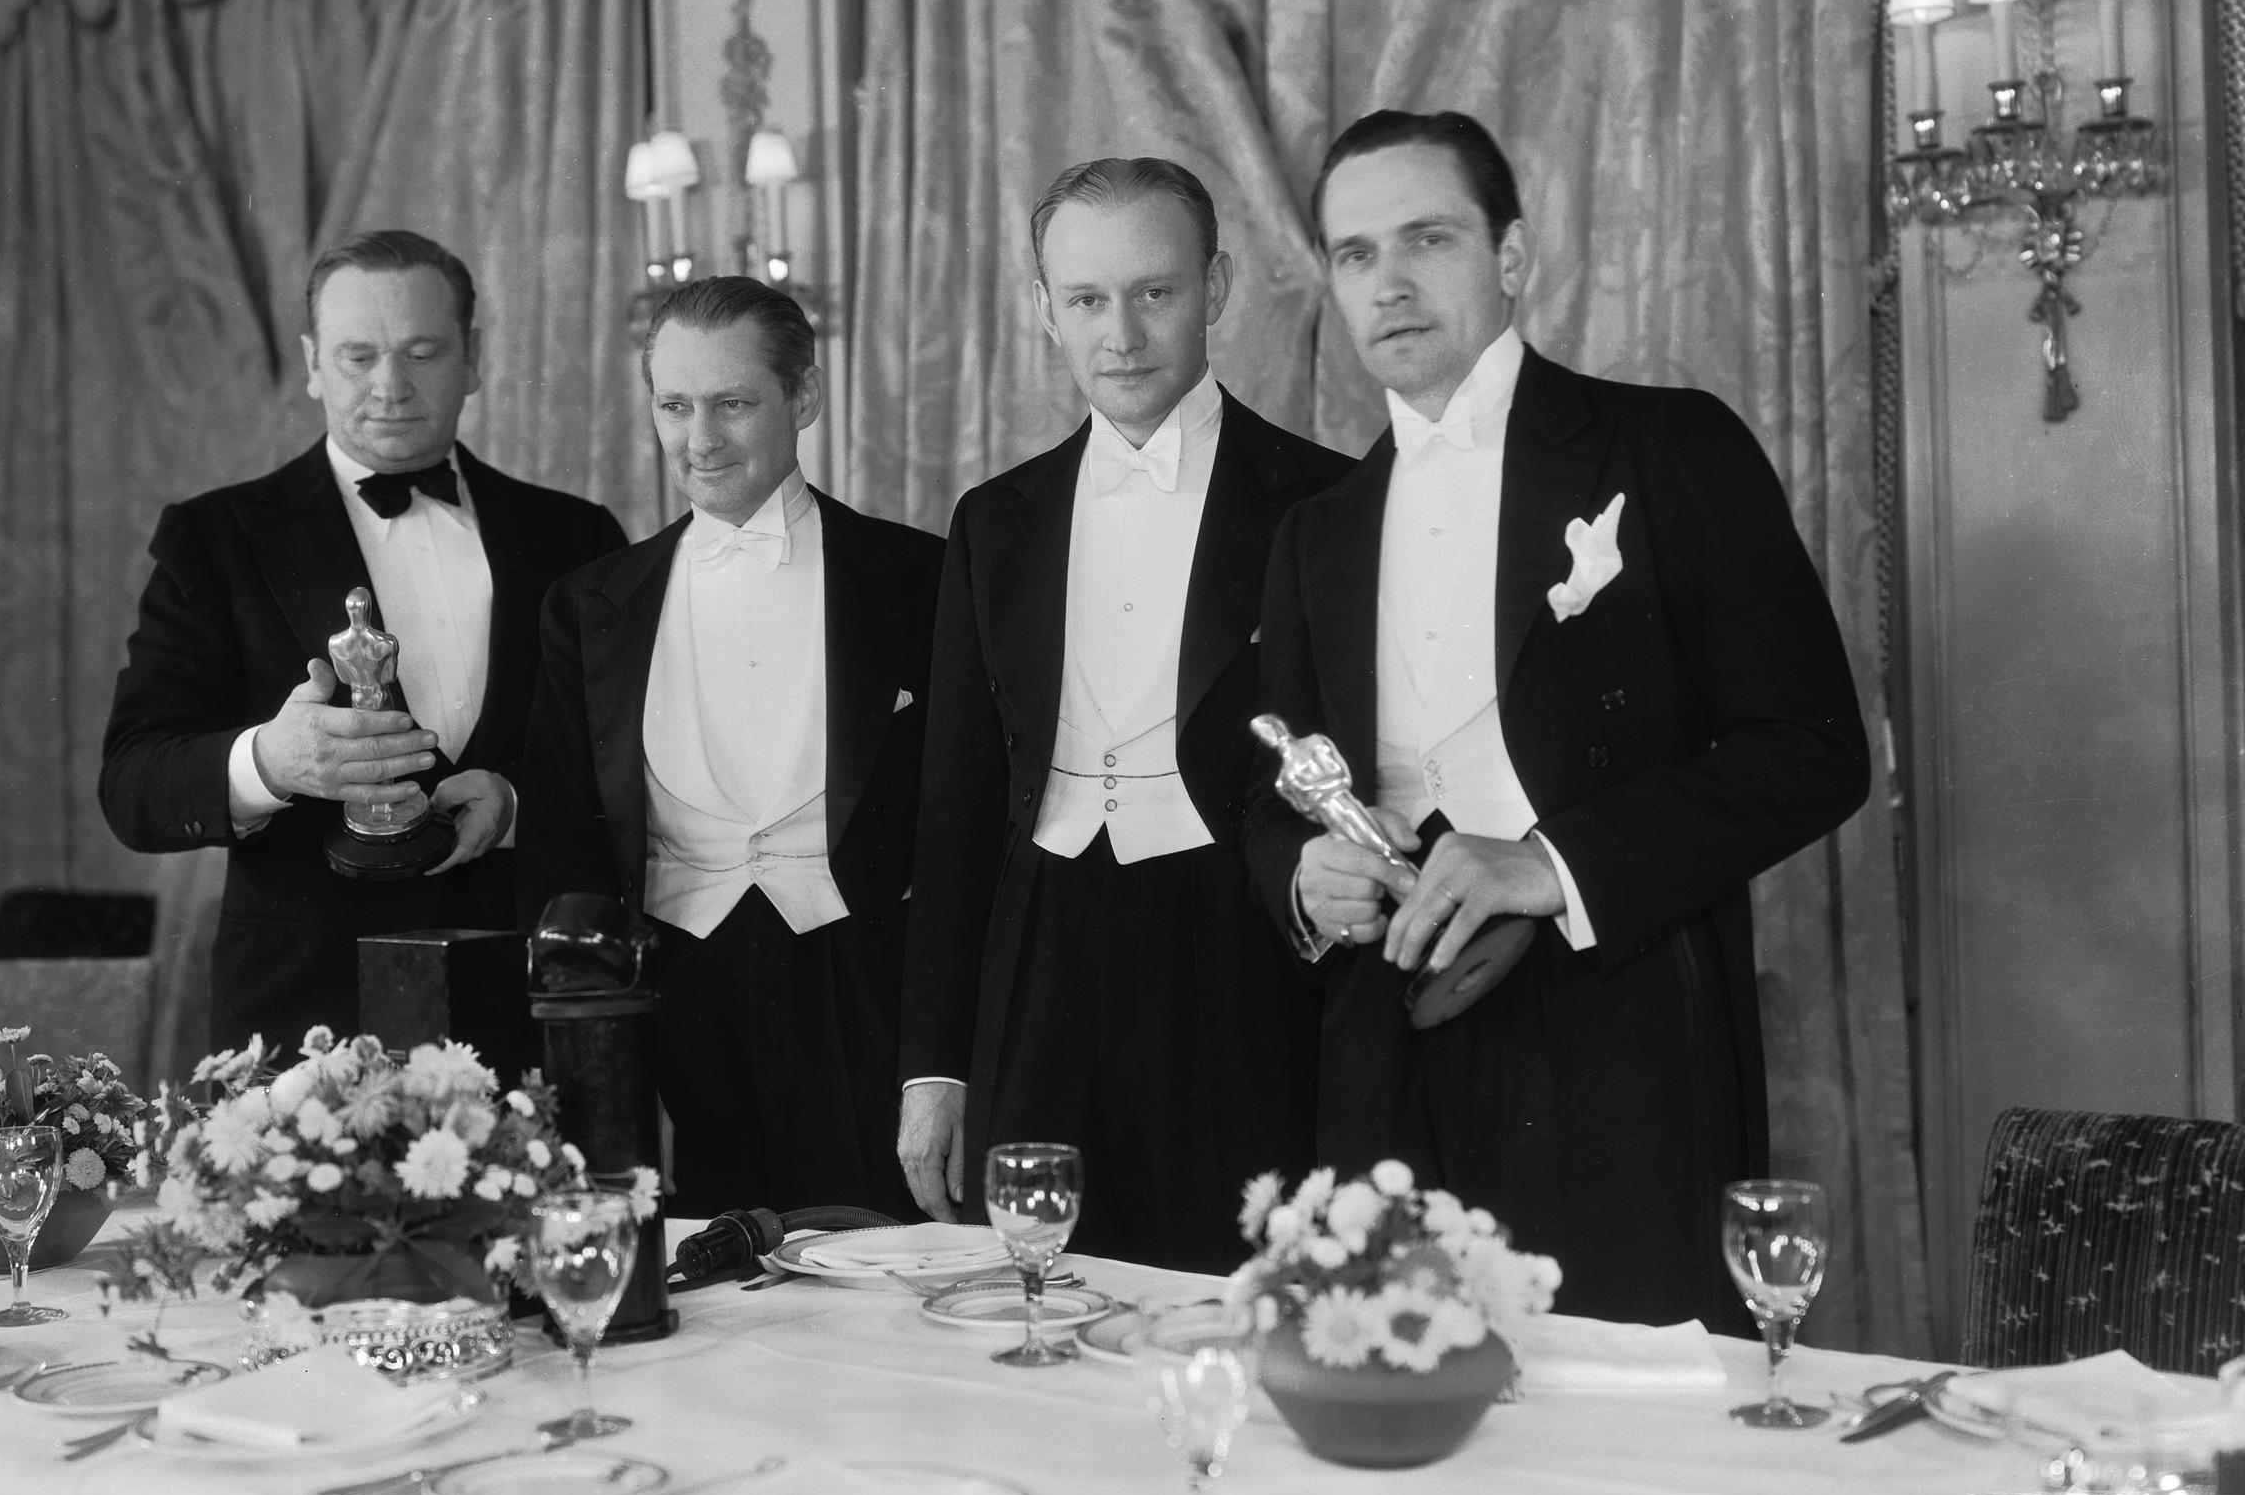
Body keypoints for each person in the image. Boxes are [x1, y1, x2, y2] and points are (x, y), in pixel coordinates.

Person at [1242, 110, 1870, 1328]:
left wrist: (1546, 865)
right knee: (1396, 1411)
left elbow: (1812, 749)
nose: (1392, 281)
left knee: (1624, 1427)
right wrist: (1300, 876)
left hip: (1616, 1022)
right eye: (1356, 253)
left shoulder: (1665, 444)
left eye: (1428, 237)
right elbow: (1271, 788)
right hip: (1385, 1034)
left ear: (1512, 257)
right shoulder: (1316, 529)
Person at [897, 158, 1355, 1272]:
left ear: (1217, 287)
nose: (1123, 331)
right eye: (1089, 298)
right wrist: (935, 1069)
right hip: (1037, 946)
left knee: (1238, 1289)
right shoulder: (994, 521)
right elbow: (953, 809)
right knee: (1040, 1300)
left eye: (1154, 292)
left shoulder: (1329, 501)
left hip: (1240, 946)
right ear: (1042, 307)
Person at [101, 229, 628, 1060]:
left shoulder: (575, 534)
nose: (390, 387)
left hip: (532, 1005)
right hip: (306, 1017)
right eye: (358, 357)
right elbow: (133, 782)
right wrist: (273, 762)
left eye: (422, 352)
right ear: (313, 362)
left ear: (474, 357)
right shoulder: (214, 537)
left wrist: (521, 804)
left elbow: (625, 762)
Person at [520, 277, 942, 1219]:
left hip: (861, 978)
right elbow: (561, 840)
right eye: (674, 405)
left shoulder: (922, 577)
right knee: (703, 1277)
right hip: (675, 982)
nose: (698, 438)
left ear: (806, 399)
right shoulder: (589, 605)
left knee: (871, 1260)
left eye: (732, 403)